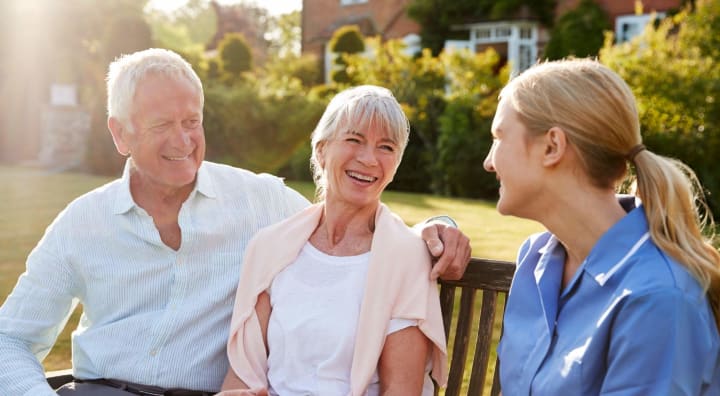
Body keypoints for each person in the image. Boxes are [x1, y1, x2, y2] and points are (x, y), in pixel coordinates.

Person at [0, 49, 470, 396]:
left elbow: (351, 219)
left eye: (193, 121)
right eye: (162, 125)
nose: (183, 141)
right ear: (120, 133)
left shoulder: (258, 202)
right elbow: (11, 338)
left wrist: (439, 223)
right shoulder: (82, 222)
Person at [484, 58, 720, 395]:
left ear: (552, 146)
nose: (489, 162)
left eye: (498, 137)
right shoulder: (535, 258)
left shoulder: (658, 298)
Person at [218, 85, 447, 396]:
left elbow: (401, 390)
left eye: (386, 147)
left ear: (396, 165)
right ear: (322, 150)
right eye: (354, 140)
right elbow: (243, 376)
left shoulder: (405, 257)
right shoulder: (271, 248)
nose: (369, 159)